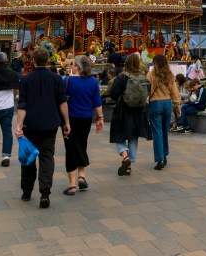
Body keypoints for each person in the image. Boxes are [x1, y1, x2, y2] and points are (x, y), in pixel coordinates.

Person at [15, 48, 70, 209]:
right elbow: (62, 102)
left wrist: (19, 125)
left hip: (30, 123)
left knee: (29, 156)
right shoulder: (56, 78)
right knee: (47, 157)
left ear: (32, 61)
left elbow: (22, 104)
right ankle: (45, 193)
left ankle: (26, 191)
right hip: (50, 123)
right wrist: (66, 122)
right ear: (47, 61)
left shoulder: (26, 79)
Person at [63, 55, 103, 195]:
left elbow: (61, 101)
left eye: (73, 64)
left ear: (78, 67)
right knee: (81, 144)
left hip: (70, 118)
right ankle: (81, 175)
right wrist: (101, 117)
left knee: (70, 148)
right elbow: (97, 101)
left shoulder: (67, 81)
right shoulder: (92, 81)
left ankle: (72, 184)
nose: (72, 66)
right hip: (86, 118)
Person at [107, 52, 151, 176]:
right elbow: (148, 91)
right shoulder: (143, 77)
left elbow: (113, 93)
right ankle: (129, 164)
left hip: (123, 109)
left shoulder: (122, 77)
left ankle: (125, 157)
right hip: (138, 111)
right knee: (133, 137)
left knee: (118, 134)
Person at [147, 53, 180, 170]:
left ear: (155, 64)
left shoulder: (151, 75)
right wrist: (178, 106)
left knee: (157, 132)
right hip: (167, 103)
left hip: (155, 104)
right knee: (165, 131)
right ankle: (165, 155)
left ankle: (160, 158)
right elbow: (174, 91)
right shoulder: (170, 76)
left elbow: (146, 90)